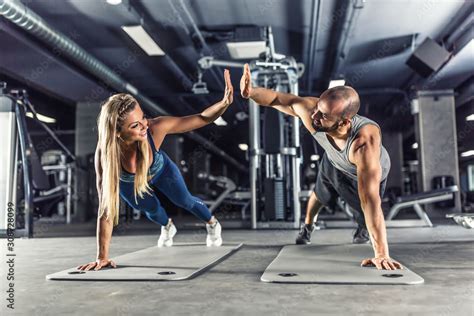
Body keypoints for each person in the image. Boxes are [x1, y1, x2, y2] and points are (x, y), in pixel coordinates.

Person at [240, 64, 402, 270]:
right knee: (319, 194)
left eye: (323, 116)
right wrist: (251, 92)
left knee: (365, 208)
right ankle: (307, 227)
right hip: (333, 160)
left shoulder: (363, 144)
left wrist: (381, 254)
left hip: (360, 169)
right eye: (317, 109)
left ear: (344, 123)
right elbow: (277, 99)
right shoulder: (314, 112)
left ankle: (363, 229)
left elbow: (370, 199)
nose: (314, 117)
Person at [78, 70, 233, 271]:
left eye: (143, 117)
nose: (144, 125)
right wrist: (102, 257)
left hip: (161, 170)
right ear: (117, 133)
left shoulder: (154, 128)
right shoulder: (106, 155)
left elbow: (202, 118)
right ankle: (168, 226)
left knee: (184, 200)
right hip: (129, 182)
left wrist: (224, 103)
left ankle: (212, 223)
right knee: (150, 209)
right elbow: (106, 208)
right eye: (135, 125)